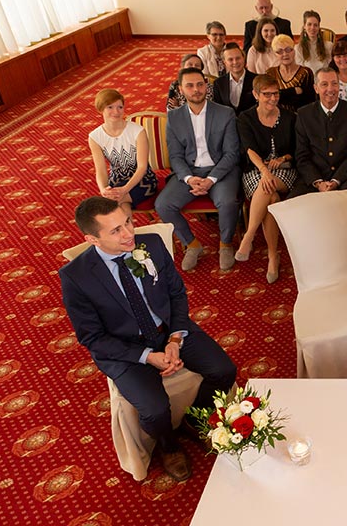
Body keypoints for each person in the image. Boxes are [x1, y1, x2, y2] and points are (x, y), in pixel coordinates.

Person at [60, 197, 237, 482]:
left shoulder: (151, 245)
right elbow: (92, 337)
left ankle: (195, 417)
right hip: (124, 349)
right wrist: (147, 357)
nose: (129, 233)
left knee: (224, 370)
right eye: (116, 230)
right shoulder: (75, 277)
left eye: (128, 222)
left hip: (167, 329)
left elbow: (176, 294)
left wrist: (175, 339)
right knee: (154, 410)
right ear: (92, 239)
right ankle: (168, 445)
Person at [155, 67, 241, 272]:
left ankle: (225, 244)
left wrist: (211, 179)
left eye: (200, 84)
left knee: (228, 202)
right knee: (163, 205)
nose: (196, 90)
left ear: (206, 86)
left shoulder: (225, 113)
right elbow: (175, 156)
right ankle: (192, 244)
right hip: (190, 172)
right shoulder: (174, 117)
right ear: (181, 89)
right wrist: (188, 178)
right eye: (190, 86)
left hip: (220, 171)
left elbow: (231, 153)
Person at [293, 68, 347, 281]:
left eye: (334, 84)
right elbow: (302, 156)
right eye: (324, 84)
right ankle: (312, 259)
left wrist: (336, 181)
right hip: (316, 175)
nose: (330, 89)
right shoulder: (304, 115)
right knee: (295, 202)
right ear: (315, 88)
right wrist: (318, 182)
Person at [234, 75, 297, 284]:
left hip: (284, 170)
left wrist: (283, 158)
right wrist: (264, 170)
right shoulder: (245, 118)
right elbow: (249, 149)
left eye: (275, 93)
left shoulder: (290, 117)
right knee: (271, 197)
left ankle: (249, 235)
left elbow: (297, 150)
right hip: (255, 169)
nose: (272, 98)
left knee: (267, 187)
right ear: (256, 95)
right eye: (267, 94)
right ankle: (273, 256)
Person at [88, 89, 158, 215]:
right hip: (116, 182)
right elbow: (101, 170)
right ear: (101, 109)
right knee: (119, 203)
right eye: (110, 107)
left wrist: (125, 189)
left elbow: (142, 167)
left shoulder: (137, 131)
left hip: (144, 181)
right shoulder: (95, 137)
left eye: (120, 107)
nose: (116, 112)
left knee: (114, 203)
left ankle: (126, 228)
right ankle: (128, 228)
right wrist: (104, 189)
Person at [266, 34, 315, 114]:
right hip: (276, 116)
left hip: (300, 117)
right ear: (275, 54)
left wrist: (280, 94)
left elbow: (308, 102)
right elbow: (268, 98)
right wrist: (294, 91)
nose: (285, 54)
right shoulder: (270, 73)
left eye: (288, 50)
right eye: (280, 52)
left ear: (294, 51)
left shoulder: (306, 72)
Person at [212, 43, 256, 116]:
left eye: (238, 58)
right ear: (225, 62)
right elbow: (217, 109)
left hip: (251, 121)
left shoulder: (256, 80)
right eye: (230, 59)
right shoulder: (218, 83)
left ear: (244, 58)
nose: (235, 62)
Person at [295, 9, 333, 76]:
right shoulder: (298, 48)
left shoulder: (328, 46)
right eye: (309, 24)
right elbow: (299, 72)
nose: (312, 28)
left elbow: (331, 68)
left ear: (319, 27)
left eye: (315, 25)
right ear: (304, 26)